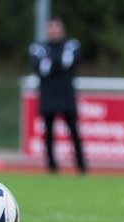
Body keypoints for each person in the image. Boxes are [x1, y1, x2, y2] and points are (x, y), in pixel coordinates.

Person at [29, 17, 87, 174]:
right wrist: (55, 62)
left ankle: (81, 166)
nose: (54, 30)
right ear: (47, 30)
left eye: (57, 27)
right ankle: (51, 166)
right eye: (51, 27)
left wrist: (52, 60)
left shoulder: (71, 45)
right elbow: (41, 69)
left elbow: (68, 64)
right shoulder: (38, 47)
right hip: (47, 95)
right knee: (48, 132)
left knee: (74, 131)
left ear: (62, 29)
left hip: (66, 94)